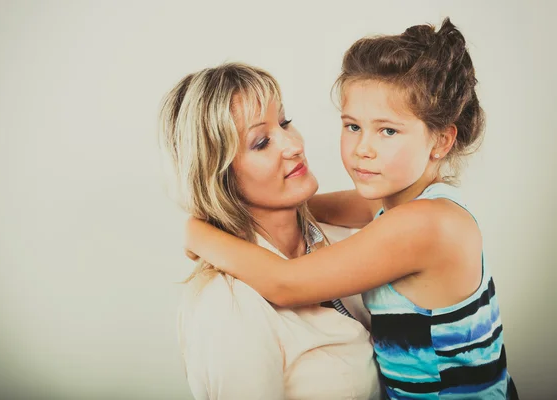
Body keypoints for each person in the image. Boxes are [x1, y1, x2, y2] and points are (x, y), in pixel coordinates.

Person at [183, 18, 518, 399]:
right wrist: (245, 202)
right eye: (352, 126)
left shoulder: (426, 225)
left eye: (387, 130)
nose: (363, 149)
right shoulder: (403, 203)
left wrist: (199, 232)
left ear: (441, 140)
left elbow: (286, 283)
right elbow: (312, 207)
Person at [158, 62, 382, 399]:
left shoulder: (334, 237)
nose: (293, 145)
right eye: (261, 142)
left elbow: (388, 204)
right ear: (220, 178)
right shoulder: (228, 308)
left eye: (285, 122)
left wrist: (198, 231)